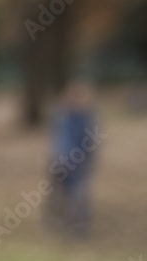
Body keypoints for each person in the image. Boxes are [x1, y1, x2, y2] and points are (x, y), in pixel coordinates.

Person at [46, 79, 99, 239]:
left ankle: (78, 225)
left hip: (79, 164)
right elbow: (58, 139)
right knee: (59, 194)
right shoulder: (62, 116)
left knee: (78, 195)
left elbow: (91, 141)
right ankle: (56, 221)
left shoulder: (86, 118)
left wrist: (89, 160)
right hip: (62, 161)